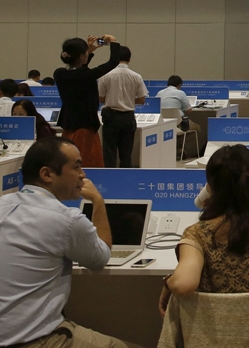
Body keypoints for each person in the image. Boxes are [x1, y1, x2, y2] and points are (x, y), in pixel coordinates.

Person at [0, 138, 146, 348]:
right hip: (36, 340)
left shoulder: (3, 203)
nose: (83, 174)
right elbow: (101, 257)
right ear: (47, 174)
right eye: (76, 166)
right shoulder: (66, 219)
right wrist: (97, 201)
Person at [160, 145, 249, 318]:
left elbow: (183, 284)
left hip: (215, 334)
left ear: (211, 187)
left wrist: (168, 282)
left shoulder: (197, 234)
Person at [54, 35, 121, 168]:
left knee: (68, 162)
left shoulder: (59, 74)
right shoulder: (86, 75)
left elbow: (80, 71)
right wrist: (113, 42)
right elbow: (113, 62)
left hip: (68, 125)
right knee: (87, 163)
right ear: (81, 56)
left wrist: (88, 52)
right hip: (85, 128)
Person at [97, 46, 147, 169]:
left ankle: (110, 180)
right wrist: (128, 99)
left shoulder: (106, 75)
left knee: (109, 153)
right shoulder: (136, 76)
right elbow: (141, 100)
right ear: (129, 59)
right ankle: (126, 180)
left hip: (110, 117)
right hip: (128, 118)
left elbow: (100, 98)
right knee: (126, 154)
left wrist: (112, 98)